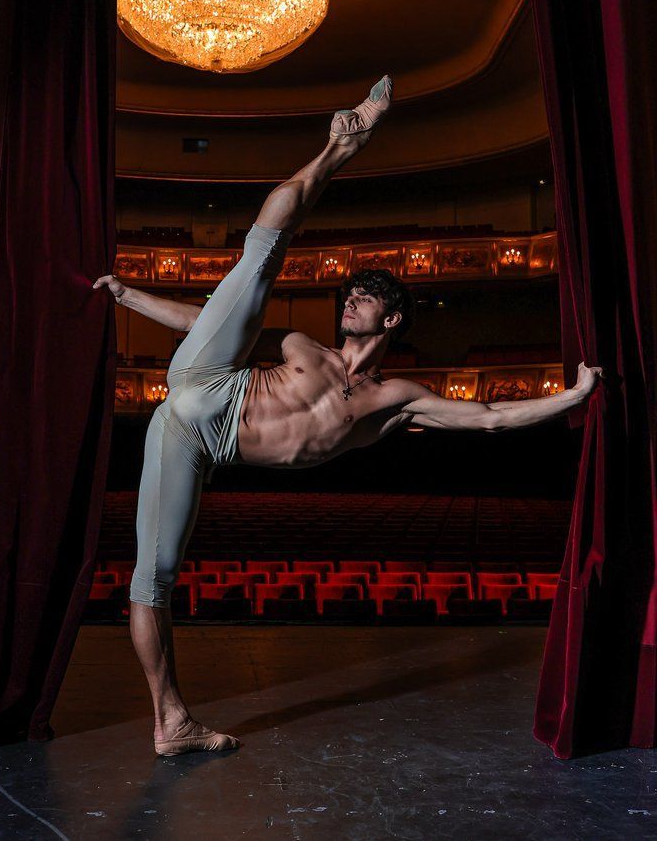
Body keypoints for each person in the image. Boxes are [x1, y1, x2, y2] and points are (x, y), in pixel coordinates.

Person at [92, 75, 603, 757]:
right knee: (262, 256)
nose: (351, 297)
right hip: (207, 376)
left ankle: (170, 720)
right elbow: (207, 321)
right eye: (351, 291)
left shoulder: (395, 400)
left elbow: (484, 418)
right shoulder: (300, 345)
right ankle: (340, 145)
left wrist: (569, 398)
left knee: (154, 581)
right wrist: (129, 297)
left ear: (392, 318)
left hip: (193, 436)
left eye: (366, 295)